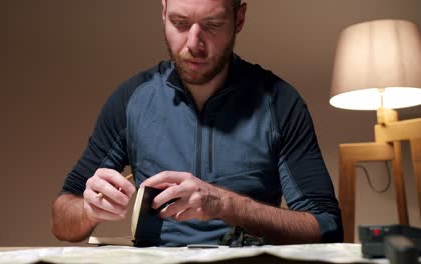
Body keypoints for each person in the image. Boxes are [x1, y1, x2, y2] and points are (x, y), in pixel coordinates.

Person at [51, 0, 343, 246]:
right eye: (179, 23)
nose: (193, 43)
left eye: (213, 24)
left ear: (239, 18)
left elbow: (327, 228)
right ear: (163, 11)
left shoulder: (280, 102)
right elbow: (62, 222)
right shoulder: (132, 99)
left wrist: (225, 204)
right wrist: (89, 209)